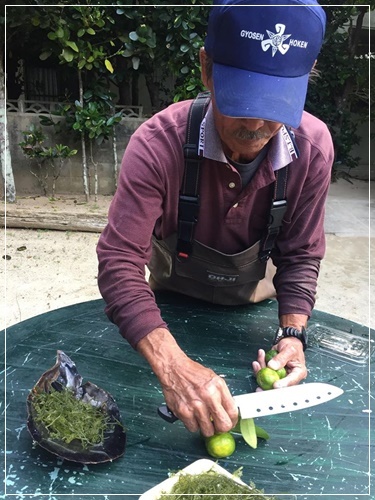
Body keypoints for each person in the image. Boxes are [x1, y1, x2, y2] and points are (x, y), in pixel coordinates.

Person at [97, 0, 334, 438]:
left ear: (307, 74)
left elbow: (300, 255)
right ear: (207, 68)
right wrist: (172, 367)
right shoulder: (157, 145)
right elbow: (118, 263)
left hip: (253, 322)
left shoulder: (313, 149)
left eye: (276, 103)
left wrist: (292, 332)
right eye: (242, 101)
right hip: (164, 316)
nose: (258, 124)